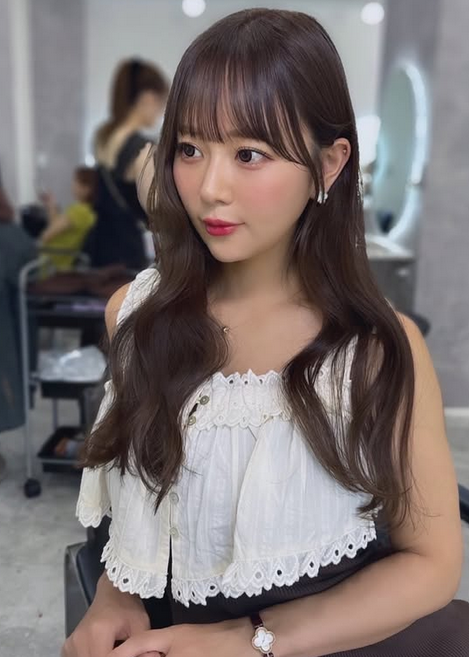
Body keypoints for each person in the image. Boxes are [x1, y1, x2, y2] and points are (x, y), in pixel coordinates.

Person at [63, 9, 468, 657]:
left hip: (336, 635)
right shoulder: (135, 315)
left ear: (329, 165)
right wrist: (116, 594)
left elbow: (431, 563)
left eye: (249, 154)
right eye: (190, 149)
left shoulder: (374, 351)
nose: (209, 188)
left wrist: (248, 639)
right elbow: (140, 503)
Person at [88, 58, 169, 270]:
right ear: (148, 98)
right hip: (127, 256)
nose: (161, 111)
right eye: (162, 102)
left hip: (100, 249)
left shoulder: (103, 137)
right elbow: (157, 210)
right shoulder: (143, 149)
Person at [39, 166, 97, 272]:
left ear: (87, 188)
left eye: (76, 181)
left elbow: (47, 235)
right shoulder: (89, 212)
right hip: (64, 263)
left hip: (53, 264)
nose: (73, 185)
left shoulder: (78, 211)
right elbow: (56, 226)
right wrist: (51, 205)